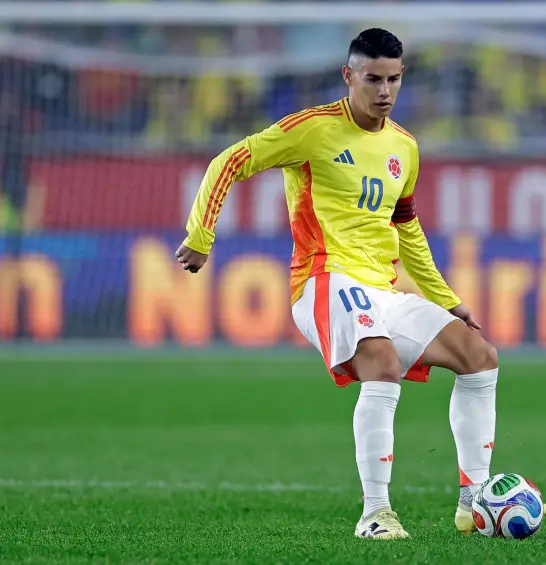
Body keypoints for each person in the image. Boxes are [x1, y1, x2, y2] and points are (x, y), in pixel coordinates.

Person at [176, 28, 520, 540]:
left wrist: (447, 300)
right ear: (349, 76)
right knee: (380, 362)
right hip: (322, 279)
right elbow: (230, 161)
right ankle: (375, 513)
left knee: (480, 355)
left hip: (382, 288)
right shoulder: (311, 130)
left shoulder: (404, 145)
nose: (384, 91)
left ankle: (475, 502)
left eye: (394, 80)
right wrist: (200, 235)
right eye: (373, 79)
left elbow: (407, 230)